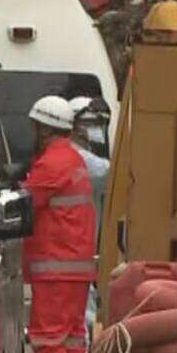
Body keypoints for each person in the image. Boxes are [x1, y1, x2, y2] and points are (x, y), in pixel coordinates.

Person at [21, 95, 97, 353]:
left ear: (44, 128)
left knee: (48, 338)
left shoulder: (51, 163)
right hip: (76, 267)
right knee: (72, 339)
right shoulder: (73, 160)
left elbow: (26, 205)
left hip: (55, 266)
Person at [68, 96, 111, 340]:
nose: (97, 128)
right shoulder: (79, 158)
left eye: (101, 123)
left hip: (83, 251)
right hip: (74, 252)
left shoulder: (84, 156)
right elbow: (111, 172)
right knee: (84, 313)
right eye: (91, 122)